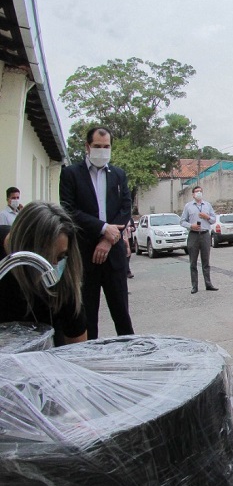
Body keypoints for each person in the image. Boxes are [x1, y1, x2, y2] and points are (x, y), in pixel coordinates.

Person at [59, 126, 134, 339]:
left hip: (114, 253)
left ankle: (131, 356)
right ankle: (92, 361)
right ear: (87, 146)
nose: (102, 150)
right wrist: (102, 228)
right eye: (97, 146)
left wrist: (108, 240)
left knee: (122, 314)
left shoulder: (118, 175)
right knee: (88, 315)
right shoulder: (71, 174)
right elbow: (68, 210)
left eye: (106, 146)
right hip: (84, 255)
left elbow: (125, 209)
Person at [0, 201, 87, 346]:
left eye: (60, 257)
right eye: (46, 257)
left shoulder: (63, 281)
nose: (52, 267)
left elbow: (77, 344)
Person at [180, 185, 218, 294]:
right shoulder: (188, 206)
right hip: (193, 235)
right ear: (193, 194)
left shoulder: (207, 205)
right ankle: (194, 286)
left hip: (205, 234)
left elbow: (213, 219)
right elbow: (182, 221)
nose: (199, 193)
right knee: (193, 262)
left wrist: (207, 217)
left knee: (206, 261)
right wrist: (191, 226)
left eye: (200, 191)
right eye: (197, 191)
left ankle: (208, 283)